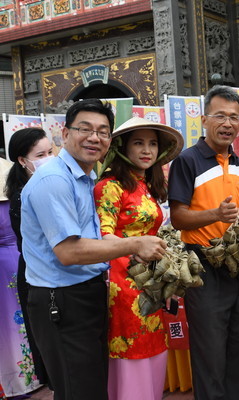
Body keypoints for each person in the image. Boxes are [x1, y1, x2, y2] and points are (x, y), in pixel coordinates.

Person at [20, 99, 167, 400]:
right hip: (60, 300)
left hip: (88, 293)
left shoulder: (86, 178)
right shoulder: (54, 180)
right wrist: (135, 244)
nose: (94, 138)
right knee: (79, 389)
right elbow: (69, 252)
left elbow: (100, 237)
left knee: (91, 386)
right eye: (84, 129)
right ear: (65, 133)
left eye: (102, 131)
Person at [168, 85, 239, 400]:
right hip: (202, 266)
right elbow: (178, 217)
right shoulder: (187, 160)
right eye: (220, 115)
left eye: (234, 117)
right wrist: (214, 214)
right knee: (210, 350)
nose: (228, 123)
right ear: (204, 119)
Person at [94, 117, 183, 400]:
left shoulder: (145, 184)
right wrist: (137, 247)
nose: (147, 150)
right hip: (122, 285)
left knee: (152, 351)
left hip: (149, 282)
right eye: (139, 143)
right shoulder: (110, 186)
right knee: (131, 353)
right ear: (122, 147)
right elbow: (103, 237)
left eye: (153, 143)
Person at [4, 127, 53, 390]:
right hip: (38, 274)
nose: (48, 158)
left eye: (50, 152)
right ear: (23, 160)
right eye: (40, 154)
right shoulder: (22, 198)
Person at [1, 156, 43, 397]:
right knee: (22, 321)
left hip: (6, 267)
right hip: (18, 260)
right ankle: (30, 377)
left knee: (6, 326)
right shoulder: (18, 194)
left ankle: (12, 383)